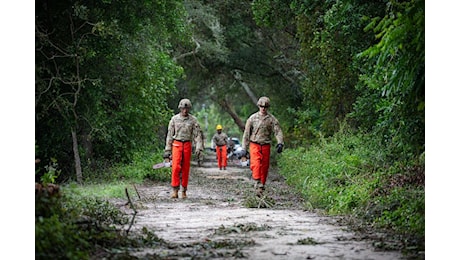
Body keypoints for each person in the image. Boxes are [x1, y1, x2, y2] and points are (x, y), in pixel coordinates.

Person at [241, 96, 284, 196]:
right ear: (258, 106)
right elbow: (246, 134)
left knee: (264, 168)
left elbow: (277, 131)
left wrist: (280, 143)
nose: (263, 108)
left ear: (268, 107)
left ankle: (262, 186)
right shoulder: (252, 118)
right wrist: (244, 148)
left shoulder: (271, 119)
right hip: (254, 144)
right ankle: (257, 183)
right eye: (261, 106)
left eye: (265, 107)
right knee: (256, 165)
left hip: (266, 145)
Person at [164, 98, 204, 199]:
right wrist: (167, 150)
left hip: (187, 144)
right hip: (176, 144)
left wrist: (199, 147)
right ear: (180, 108)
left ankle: (184, 190)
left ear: (189, 109)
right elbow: (169, 135)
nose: (185, 111)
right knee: (176, 167)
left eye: (187, 109)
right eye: (183, 109)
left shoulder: (193, 120)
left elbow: (197, 135)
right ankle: (175, 190)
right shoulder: (174, 119)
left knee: (185, 168)